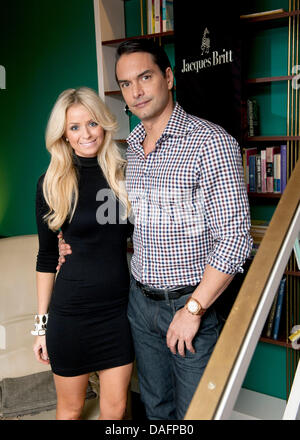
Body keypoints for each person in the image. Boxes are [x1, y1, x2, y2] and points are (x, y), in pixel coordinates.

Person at [59, 39, 253, 420]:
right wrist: (71, 243)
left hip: (188, 305)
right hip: (138, 304)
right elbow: (121, 222)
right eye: (126, 83)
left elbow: (235, 239)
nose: (136, 91)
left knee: (196, 413)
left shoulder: (210, 143)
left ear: (168, 77)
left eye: (145, 77)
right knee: (155, 409)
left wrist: (194, 309)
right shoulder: (128, 150)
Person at [32, 87, 134, 420]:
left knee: (116, 410)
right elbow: (47, 257)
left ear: (104, 124)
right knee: (71, 409)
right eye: (74, 127)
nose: (85, 133)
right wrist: (40, 326)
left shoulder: (124, 175)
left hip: (118, 314)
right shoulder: (51, 182)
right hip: (70, 315)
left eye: (92, 123)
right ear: (63, 133)